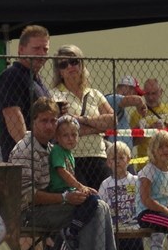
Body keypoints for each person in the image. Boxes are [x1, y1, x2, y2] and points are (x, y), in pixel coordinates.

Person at [12, 99, 115, 250]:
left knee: (101, 205)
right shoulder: (25, 150)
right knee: (95, 209)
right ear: (33, 121)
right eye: (44, 121)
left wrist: (75, 193)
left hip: (50, 206)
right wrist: (65, 198)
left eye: (53, 120)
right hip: (28, 213)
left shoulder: (52, 148)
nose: (49, 126)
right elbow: (27, 196)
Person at [47, 45, 118, 190]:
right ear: (59, 71)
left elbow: (113, 121)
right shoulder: (53, 95)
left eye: (74, 62)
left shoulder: (94, 93)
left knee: (105, 196)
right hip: (70, 157)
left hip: (98, 154)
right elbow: (56, 130)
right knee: (84, 198)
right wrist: (98, 127)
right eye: (63, 64)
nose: (70, 67)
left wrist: (80, 120)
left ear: (82, 64)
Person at [0, 24, 51, 155]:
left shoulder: (37, 79)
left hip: (43, 155)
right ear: (21, 50)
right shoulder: (11, 76)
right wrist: (32, 153)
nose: (42, 54)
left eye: (45, 49)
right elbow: (13, 118)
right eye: (36, 48)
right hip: (22, 158)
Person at [98, 142, 145, 250]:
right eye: (113, 158)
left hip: (134, 227)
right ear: (108, 163)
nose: (117, 161)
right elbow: (101, 203)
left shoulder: (136, 181)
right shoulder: (105, 184)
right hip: (114, 229)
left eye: (121, 158)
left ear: (128, 160)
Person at [105, 75, 146, 148]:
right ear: (126, 88)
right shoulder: (112, 99)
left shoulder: (121, 109)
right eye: (135, 92)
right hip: (115, 152)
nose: (135, 95)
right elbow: (138, 100)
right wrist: (140, 105)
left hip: (122, 151)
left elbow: (129, 141)